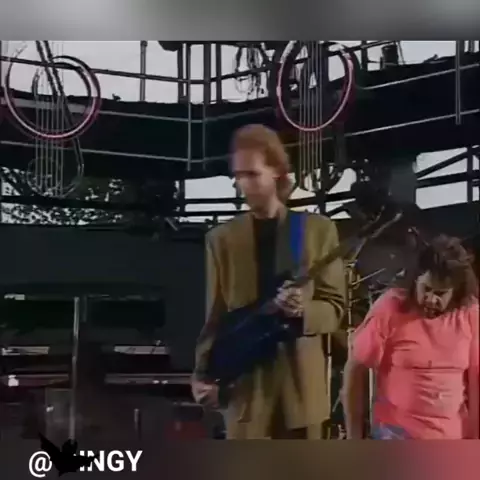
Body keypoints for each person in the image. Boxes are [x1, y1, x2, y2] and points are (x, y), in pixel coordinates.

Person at [191, 124, 345, 439]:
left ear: (277, 171)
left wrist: (303, 310)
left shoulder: (317, 230)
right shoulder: (221, 239)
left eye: (252, 174)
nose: (243, 185)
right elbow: (215, 316)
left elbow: (336, 309)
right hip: (245, 392)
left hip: (301, 394)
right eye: (238, 176)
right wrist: (201, 375)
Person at [342, 235, 479, 439]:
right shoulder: (390, 307)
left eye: (441, 294)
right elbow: (355, 369)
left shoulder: (469, 315)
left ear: (456, 291)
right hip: (395, 437)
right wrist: (354, 436)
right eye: (426, 289)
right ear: (416, 280)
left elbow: (476, 383)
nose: (430, 299)